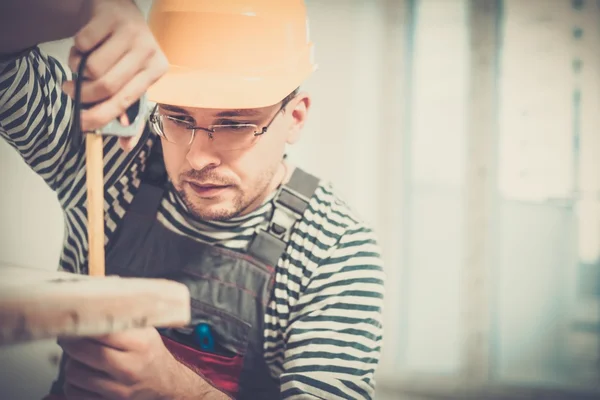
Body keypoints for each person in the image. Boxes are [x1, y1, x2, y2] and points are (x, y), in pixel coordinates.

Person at [0, 0, 385, 399]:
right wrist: (80, 9)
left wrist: (176, 389)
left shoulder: (332, 250)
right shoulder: (108, 163)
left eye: (235, 124)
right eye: (178, 117)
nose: (197, 157)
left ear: (295, 117)